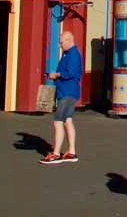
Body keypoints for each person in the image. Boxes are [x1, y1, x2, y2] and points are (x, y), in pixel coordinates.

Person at [40, 30, 82, 164]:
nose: (60, 44)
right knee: (67, 120)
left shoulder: (73, 54)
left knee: (57, 121)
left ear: (69, 40)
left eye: (61, 42)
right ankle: (71, 152)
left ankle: (56, 153)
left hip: (67, 93)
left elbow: (69, 73)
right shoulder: (67, 54)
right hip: (66, 91)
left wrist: (55, 75)